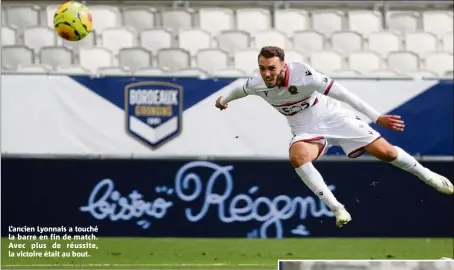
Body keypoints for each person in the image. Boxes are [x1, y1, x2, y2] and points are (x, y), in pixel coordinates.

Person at [215, 46, 453, 228]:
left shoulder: (305, 75)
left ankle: (429, 176)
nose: (266, 73)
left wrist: (376, 116)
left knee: (387, 153)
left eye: (271, 68)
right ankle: (338, 209)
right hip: (305, 130)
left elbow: (345, 94)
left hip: (334, 118)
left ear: (283, 66)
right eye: (262, 68)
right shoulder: (257, 83)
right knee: (297, 157)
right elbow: (239, 90)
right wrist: (223, 100)